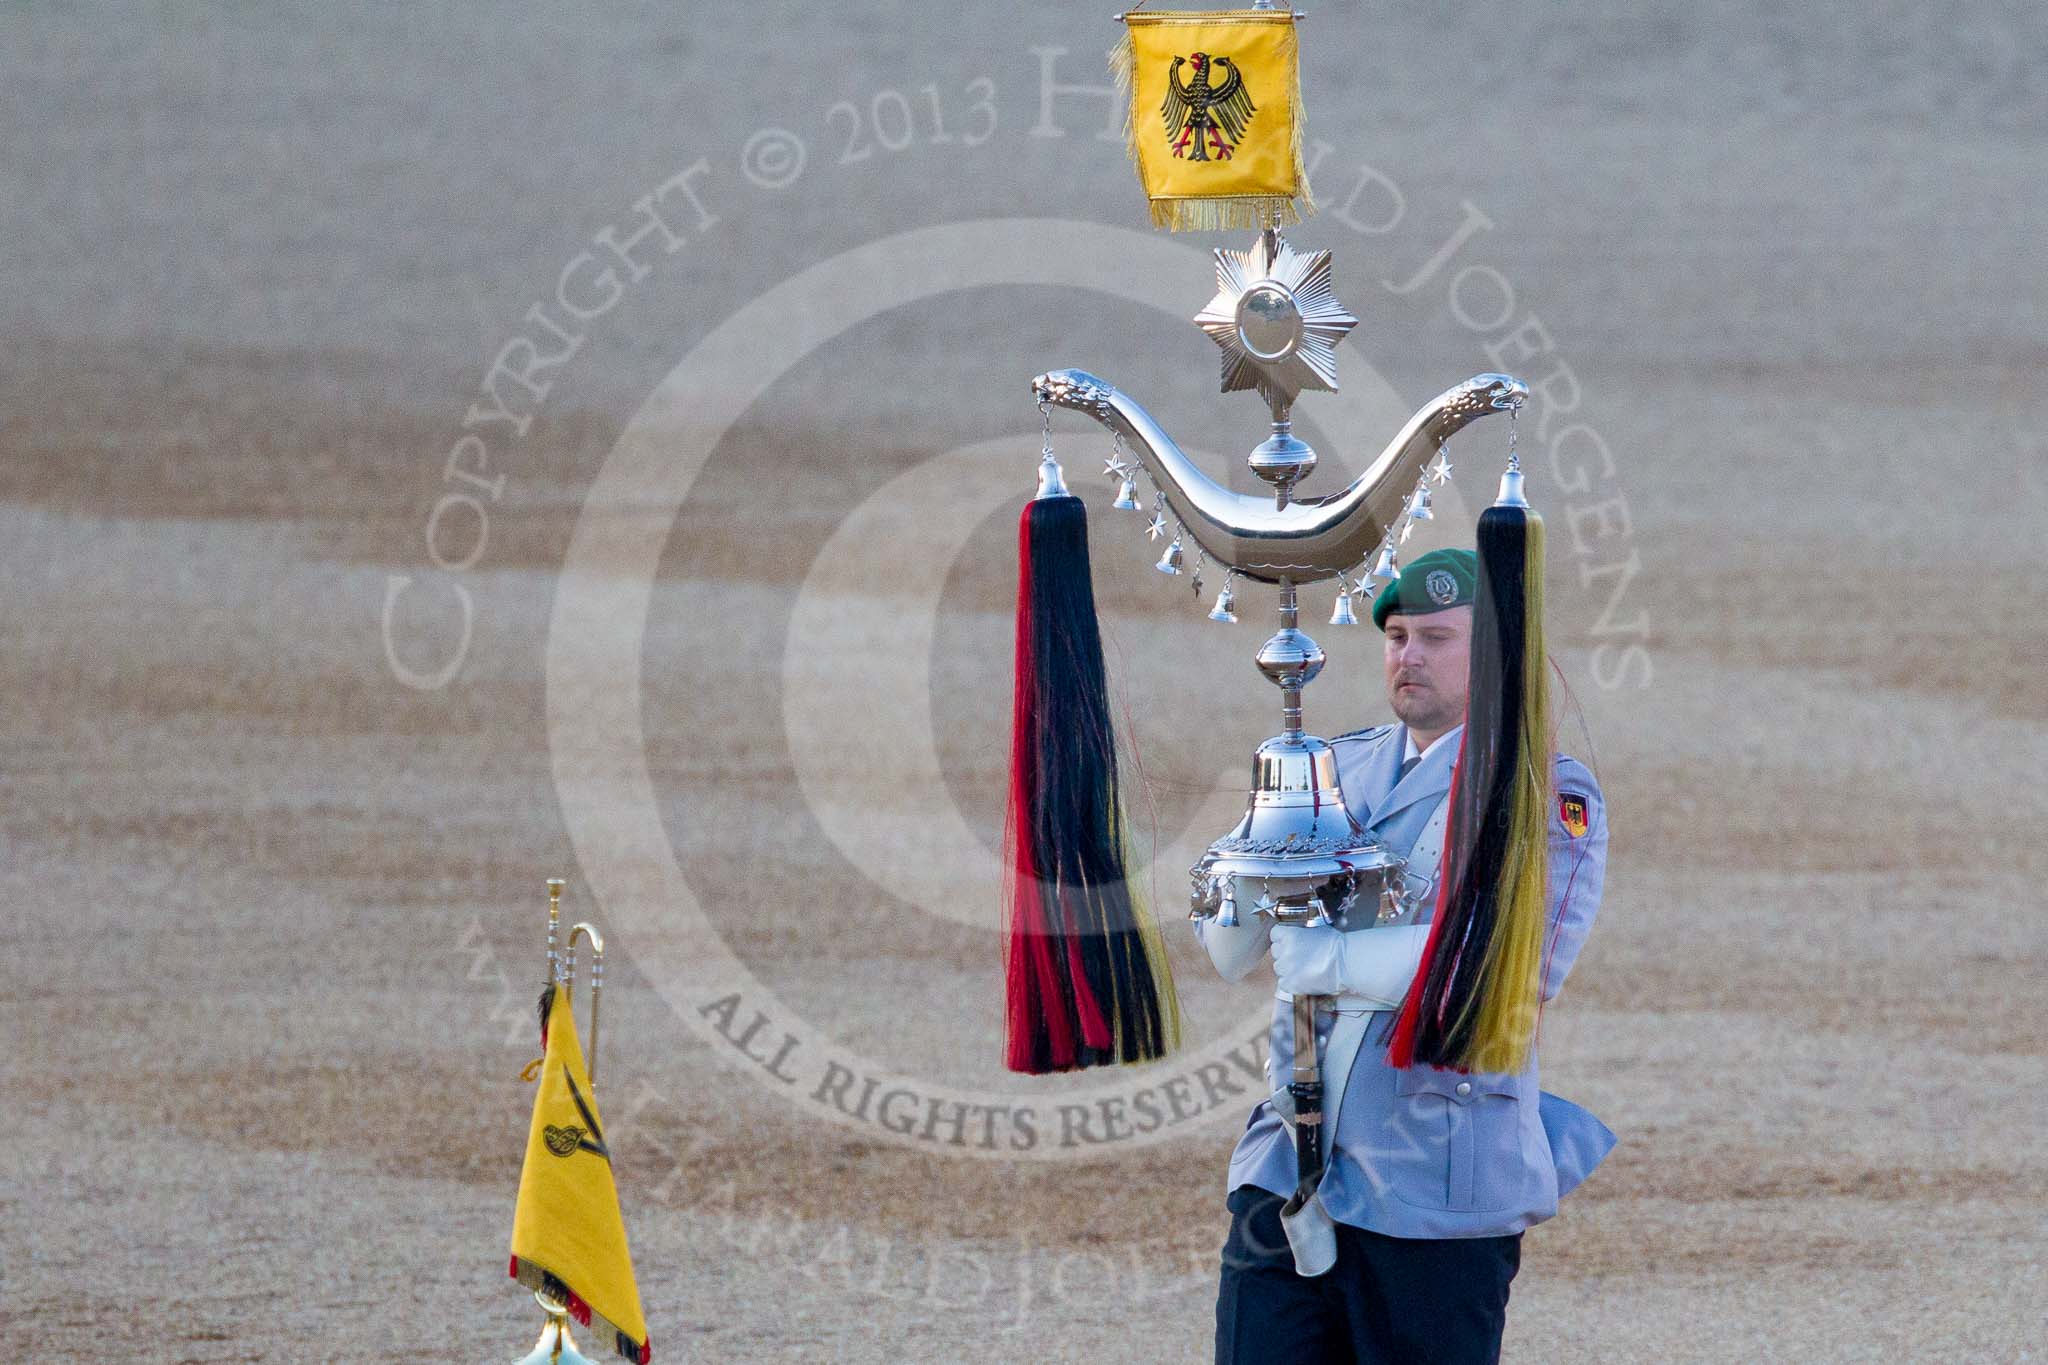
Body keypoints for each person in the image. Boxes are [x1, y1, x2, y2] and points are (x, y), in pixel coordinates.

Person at [1193, 547, 1613, 1365]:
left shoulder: (1541, 792)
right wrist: (1246, 872)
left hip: (1434, 1186)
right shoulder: (1334, 766)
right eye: (1395, 635)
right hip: (1291, 1166)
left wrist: (1338, 965)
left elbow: (1513, 972)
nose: (1407, 654)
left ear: (1495, 653)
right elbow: (1231, 950)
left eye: (1435, 637)